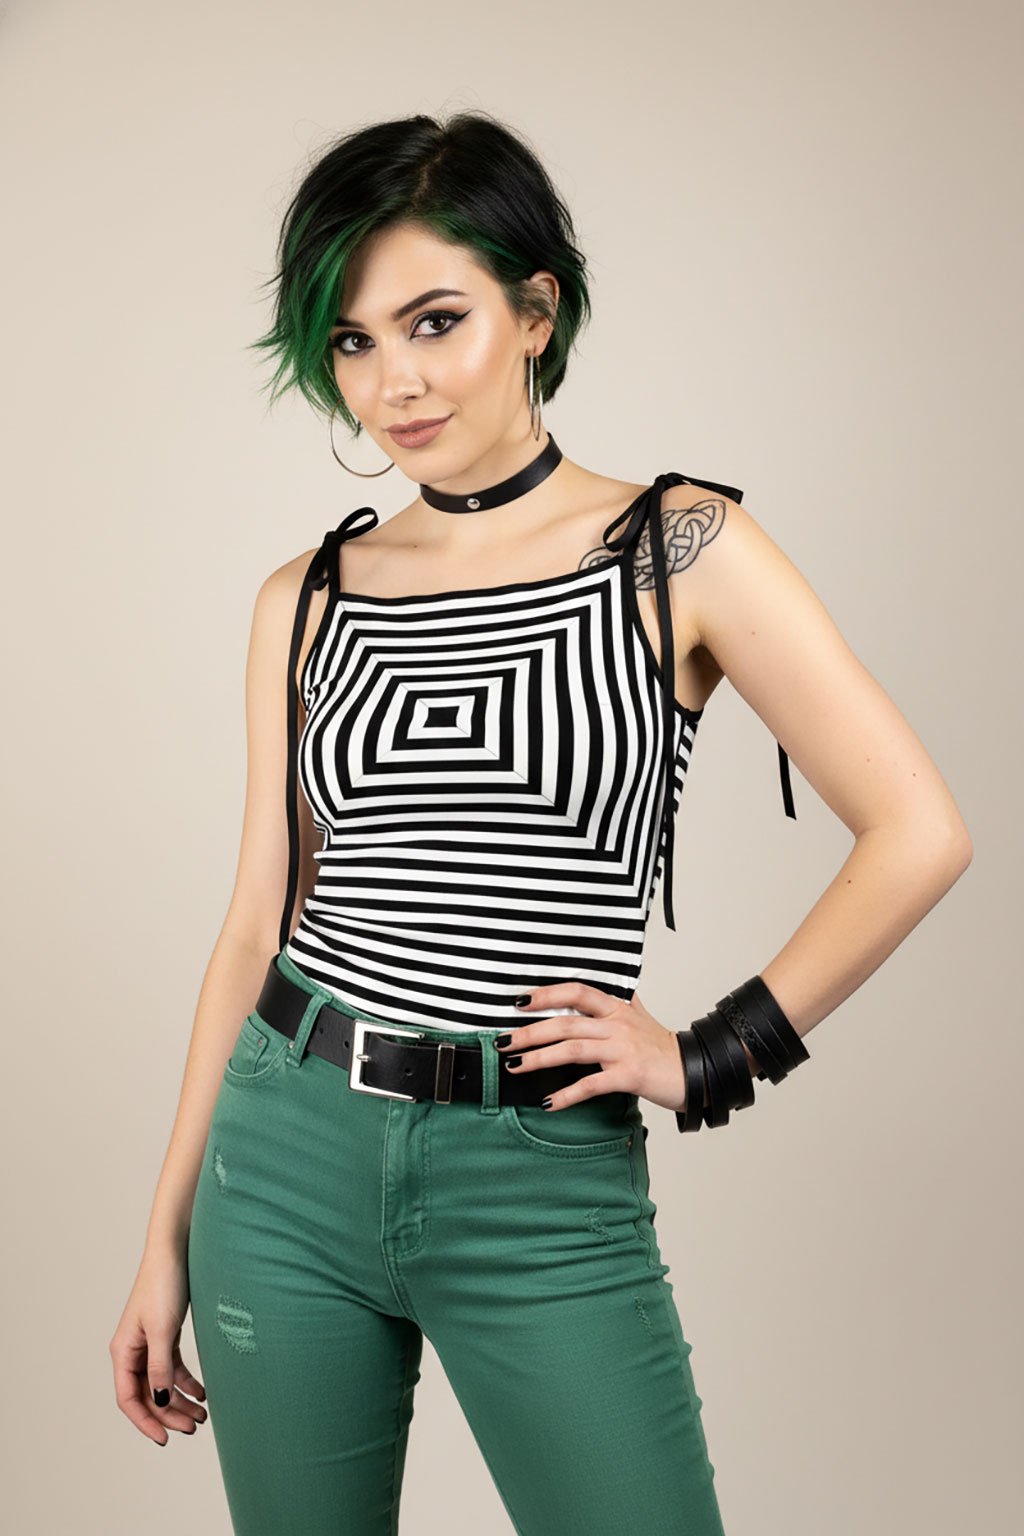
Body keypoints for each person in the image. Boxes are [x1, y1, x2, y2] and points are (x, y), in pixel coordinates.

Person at [109, 110, 973, 1535]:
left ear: (535, 310)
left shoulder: (678, 548)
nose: (393, 381)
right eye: (352, 341)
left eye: (434, 321)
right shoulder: (304, 596)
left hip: (537, 1179)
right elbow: (258, 918)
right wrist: (165, 1236)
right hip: (281, 1163)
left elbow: (918, 828)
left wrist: (712, 1056)